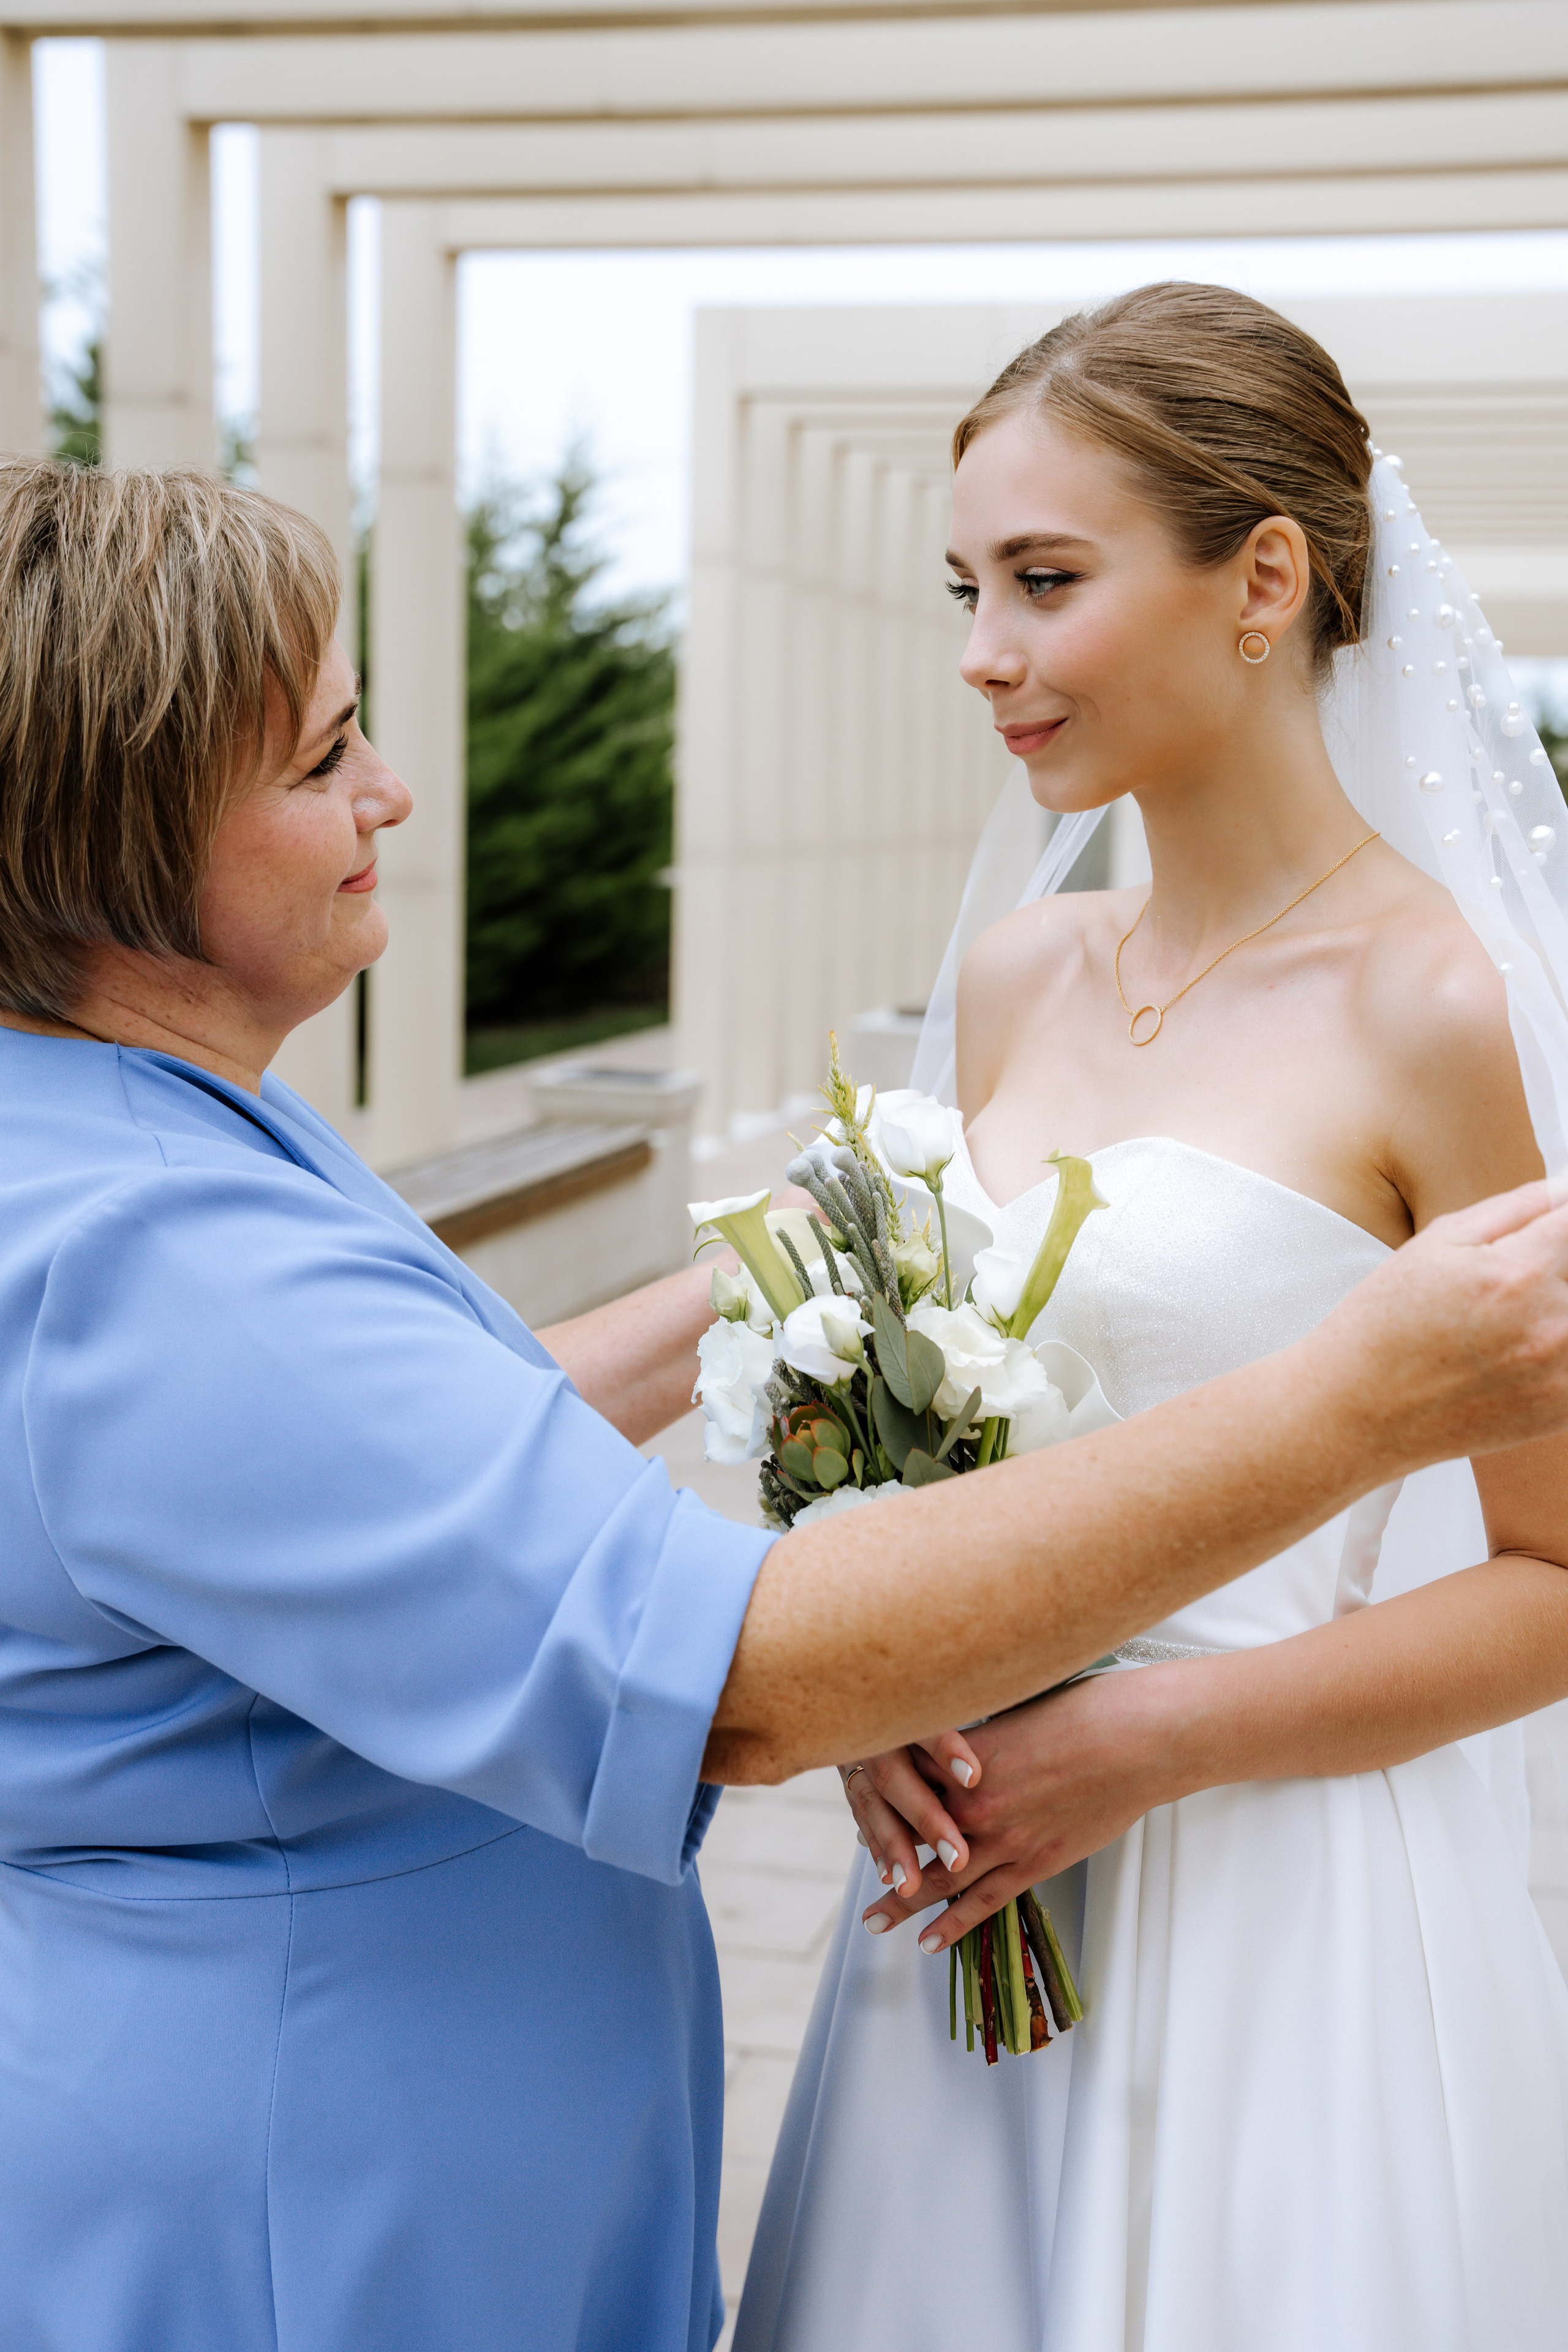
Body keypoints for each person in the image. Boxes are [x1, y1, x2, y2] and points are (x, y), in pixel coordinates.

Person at [0, 464, 1564, 2352]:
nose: (391, 794)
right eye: (327, 757)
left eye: (1044, 577)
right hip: (305, 2231)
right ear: (121, 832)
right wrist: (1350, 1400)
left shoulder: (139, 1142)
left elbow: (426, 1463)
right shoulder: (150, 1247)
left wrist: (795, 1278)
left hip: (1249, 1932)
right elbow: (737, 1682)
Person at [736, 285, 1568, 2352]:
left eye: (1043, 579)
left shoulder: (1440, 1010)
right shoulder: (1026, 971)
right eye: (965, 586)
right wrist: (879, 1685)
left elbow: (1558, 1573)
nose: (980, 653)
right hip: (962, 1900)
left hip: (1272, 1891)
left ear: (1264, 578)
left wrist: (1139, 1740)